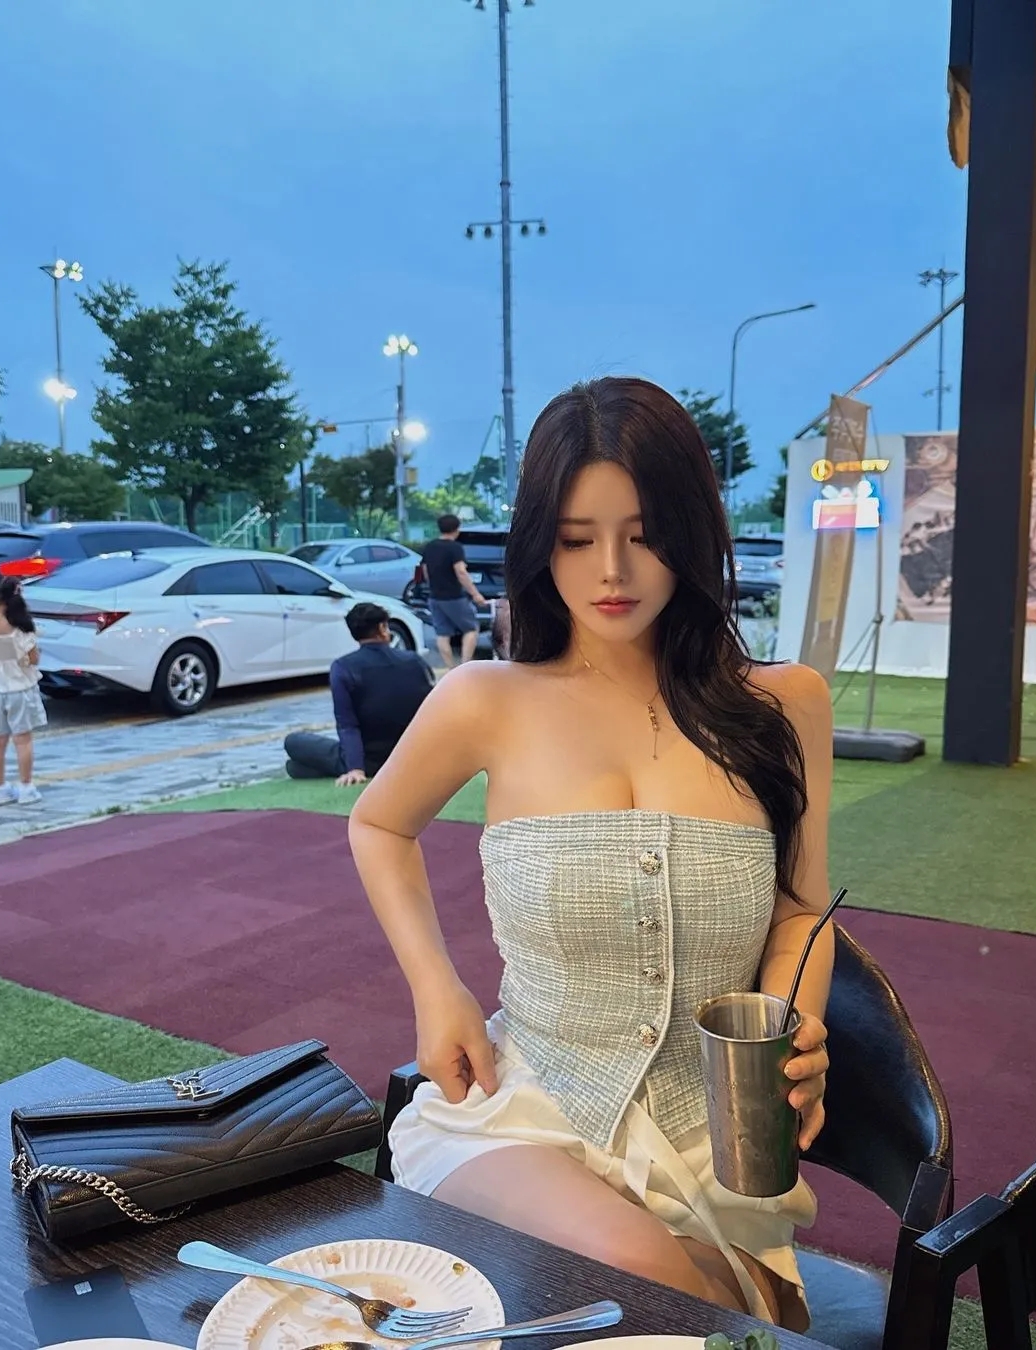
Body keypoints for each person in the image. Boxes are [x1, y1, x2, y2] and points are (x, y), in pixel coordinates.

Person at [349, 377, 833, 1333]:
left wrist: (790, 1029)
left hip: (719, 1140)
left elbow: (800, 906)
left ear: (691, 532)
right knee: (653, 1280)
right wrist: (437, 989)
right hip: (522, 1110)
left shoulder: (786, 704)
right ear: (540, 541)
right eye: (576, 539)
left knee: (690, 1311)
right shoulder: (486, 699)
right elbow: (379, 824)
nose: (612, 570)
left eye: (644, 534)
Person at [284, 602, 433, 786]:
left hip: (370, 759)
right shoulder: (414, 661)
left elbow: (347, 723)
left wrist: (355, 768)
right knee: (295, 767)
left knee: (293, 742)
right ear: (382, 628)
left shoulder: (343, 667)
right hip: (411, 755)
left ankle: (344, 766)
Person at [0, 576, 47, 805]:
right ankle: (26, 788)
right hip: (20, 688)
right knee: (23, 741)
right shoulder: (23, 628)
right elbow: (33, 659)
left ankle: (0, 790)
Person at [421, 514, 487, 668]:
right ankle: (465, 666)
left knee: (442, 634)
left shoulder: (430, 546)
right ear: (456, 529)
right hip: (454, 597)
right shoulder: (455, 547)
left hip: (435, 596)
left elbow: (425, 570)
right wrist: (475, 594)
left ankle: (450, 668)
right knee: (471, 629)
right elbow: (461, 572)